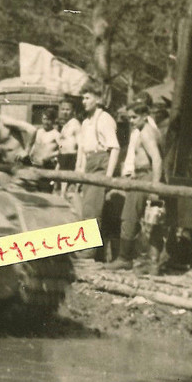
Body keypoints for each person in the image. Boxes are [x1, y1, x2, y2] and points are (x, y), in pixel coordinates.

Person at [115, 95, 165, 273]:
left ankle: (124, 258)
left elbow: (157, 160)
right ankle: (153, 264)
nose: (132, 121)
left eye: (134, 117)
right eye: (129, 118)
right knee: (154, 220)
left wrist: (154, 187)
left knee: (129, 215)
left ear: (144, 115)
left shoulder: (146, 133)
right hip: (147, 176)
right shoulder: (152, 130)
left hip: (146, 177)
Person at [74, 85, 121, 256]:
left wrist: (108, 177)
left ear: (98, 99)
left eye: (87, 98)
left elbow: (114, 148)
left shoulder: (104, 119)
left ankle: (89, 250)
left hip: (101, 164)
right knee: (85, 207)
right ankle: (95, 250)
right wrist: (80, 171)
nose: (83, 102)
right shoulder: (86, 122)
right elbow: (84, 149)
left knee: (92, 209)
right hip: (89, 164)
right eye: (83, 98)